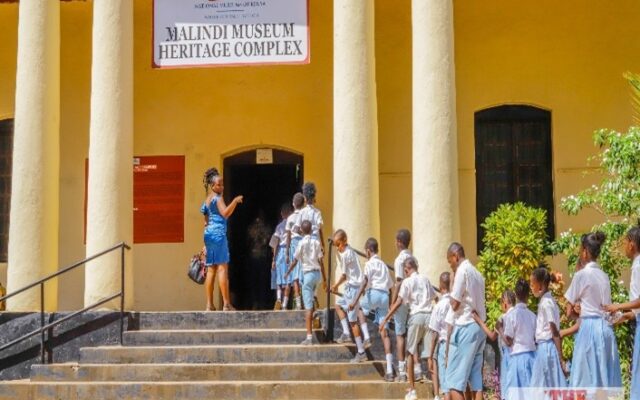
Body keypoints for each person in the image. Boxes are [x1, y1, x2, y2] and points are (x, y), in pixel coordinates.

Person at [564, 231, 622, 388]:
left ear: (584, 251)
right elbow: (606, 309)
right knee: (605, 380)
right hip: (606, 329)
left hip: (589, 330)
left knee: (586, 381)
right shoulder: (604, 276)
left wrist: (576, 312)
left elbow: (569, 312)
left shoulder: (581, 275)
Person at [379, 256, 436, 400]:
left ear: (406, 269)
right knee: (431, 356)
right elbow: (435, 298)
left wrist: (386, 317)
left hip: (416, 316)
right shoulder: (426, 279)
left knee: (410, 353)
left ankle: (412, 390)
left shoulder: (407, 282)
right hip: (429, 317)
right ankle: (437, 395)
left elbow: (399, 301)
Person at [444, 242, 486, 400]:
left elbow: (454, 305)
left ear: (455, 256)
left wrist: (452, 286)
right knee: (476, 382)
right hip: (478, 328)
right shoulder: (477, 273)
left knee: (454, 382)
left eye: (450, 261)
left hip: (465, 327)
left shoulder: (462, 271)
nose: (451, 266)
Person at [603, 226, 640, 397]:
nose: (624, 246)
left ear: (632, 244)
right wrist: (624, 316)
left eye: (625, 242)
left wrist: (618, 306)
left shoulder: (638, 266)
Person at [201, 168, 243, 312]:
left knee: (211, 269)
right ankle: (226, 304)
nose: (222, 187)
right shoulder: (218, 198)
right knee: (222, 268)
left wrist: (204, 244)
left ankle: (209, 305)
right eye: (219, 184)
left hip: (208, 235)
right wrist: (235, 201)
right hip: (218, 235)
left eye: (222, 184)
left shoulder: (207, 200)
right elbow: (225, 213)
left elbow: (206, 220)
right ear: (212, 186)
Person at [351, 238, 394, 379]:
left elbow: (364, 282)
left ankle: (367, 337)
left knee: (359, 310)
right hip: (385, 297)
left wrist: (355, 299)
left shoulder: (370, 263)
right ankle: (389, 371)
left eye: (366, 251)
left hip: (374, 292)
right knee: (385, 333)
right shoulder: (383, 265)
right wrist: (391, 306)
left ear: (368, 251)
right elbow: (391, 286)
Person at [285, 220, 327, 345]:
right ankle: (315, 311)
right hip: (317, 275)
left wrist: (288, 272)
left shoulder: (301, 243)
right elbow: (321, 262)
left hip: (308, 275)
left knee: (307, 308)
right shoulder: (316, 242)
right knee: (312, 298)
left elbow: (295, 260)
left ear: (302, 231)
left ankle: (309, 338)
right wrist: (325, 279)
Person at [471, 290, 515, 400]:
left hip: (506, 358)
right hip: (519, 356)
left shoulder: (502, 318)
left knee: (507, 387)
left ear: (504, 303)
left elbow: (492, 336)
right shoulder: (519, 314)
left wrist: (478, 320)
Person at [529, 267, 566, 391]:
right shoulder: (546, 301)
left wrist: (561, 358)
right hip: (545, 348)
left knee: (541, 386)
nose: (531, 287)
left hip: (546, 349)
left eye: (532, 284)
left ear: (540, 286)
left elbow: (554, 331)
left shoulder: (546, 304)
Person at [330, 229, 365, 351]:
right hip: (352, 288)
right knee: (338, 305)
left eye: (339, 244)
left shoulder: (345, 255)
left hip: (353, 288)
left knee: (353, 322)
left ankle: (360, 351)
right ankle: (346, 333)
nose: (338, 248)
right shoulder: (351, 250)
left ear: (345, 241)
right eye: (336, 245)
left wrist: (335, 286)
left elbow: (344, 275)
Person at [501, 279, 536, 400]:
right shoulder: (532, 315)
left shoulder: (512, 315)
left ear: (515, 295)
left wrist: (500, 330)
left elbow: (508, 341)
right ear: (528, 295)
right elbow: (535, 338)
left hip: (516, 358)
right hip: (532, 357)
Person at [392, 229, 416, 382]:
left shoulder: (399, 259)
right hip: (413, 301)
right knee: (412, 336)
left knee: (400, 335)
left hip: (402, 300)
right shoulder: (413, 258)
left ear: (399, 242)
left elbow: (398, 282)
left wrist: (393, 301)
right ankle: (416, 369)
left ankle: (402, 371)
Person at [427, 272, 452, 400]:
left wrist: (430, 355)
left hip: (443, 345)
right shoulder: (456, 304)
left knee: (446, 385)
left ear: (441, 286)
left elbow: (435, 333)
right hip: (456, 344)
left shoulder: (439, 306)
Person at [270, 203, 293, 311]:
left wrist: (273, 259)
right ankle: (284, 304)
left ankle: (278, 298)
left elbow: (274, 244)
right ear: (291, 213)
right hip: (290, 252)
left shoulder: (278, 227)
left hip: (280, 253)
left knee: (279, 279)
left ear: (281, 214)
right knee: (288, 280)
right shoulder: (293, 226)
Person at [285, 192, 305, 310]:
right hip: (304, 245)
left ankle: (298, 304)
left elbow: (288, 236)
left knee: (295, 276)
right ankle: (307, 301)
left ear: (293, 204)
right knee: (304, 272)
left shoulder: (290, 218)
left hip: (293, 246)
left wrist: (287, 252)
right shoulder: (304, 216)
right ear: (303, 204)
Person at [299, 182, 324, 252]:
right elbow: (320, 229)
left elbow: (298, 229)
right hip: (316, 242)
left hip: (304, 242)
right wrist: (323, 245)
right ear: (314, 198)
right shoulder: (317, 212)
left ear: (305, 198)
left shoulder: (301, 212)